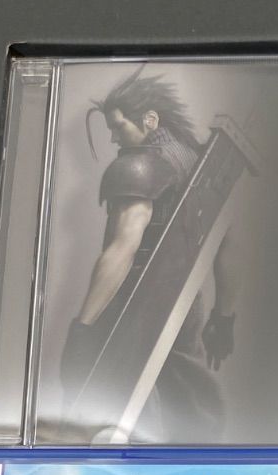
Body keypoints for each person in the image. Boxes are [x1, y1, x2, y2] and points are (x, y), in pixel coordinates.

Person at [59, 68, 242, 438]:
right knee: (182, 409)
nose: (114, 138)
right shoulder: (195, 162)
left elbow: (122, 250)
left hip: (135, 310)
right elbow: (228, 248)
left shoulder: (138, 167)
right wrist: (224, 317)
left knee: (110, 414)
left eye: (118, 127)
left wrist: (83, 328)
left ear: (150, 119)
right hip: (186, 308)